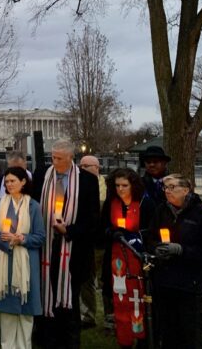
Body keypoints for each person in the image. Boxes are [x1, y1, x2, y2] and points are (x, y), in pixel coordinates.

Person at [34, 139, 100, 349]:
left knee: (68, 303)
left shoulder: (87, 181)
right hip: (45, 249)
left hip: (72, 253)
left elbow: (92, 221)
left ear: (72, 158)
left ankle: (69, 342)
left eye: (59, 158)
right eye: (52, 157)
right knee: (46, 298)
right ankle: (46, 340)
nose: (54, 161)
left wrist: (68, 230)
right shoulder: (42, 175)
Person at [147, 173, 202, 348]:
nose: (167, 191)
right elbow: (149, 238)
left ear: (186, 189)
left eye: (172, 187)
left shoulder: (201, 214)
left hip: (191, 285)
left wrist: (182, 250)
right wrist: (157, 249)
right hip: (165, 283)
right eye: (165, 187)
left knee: (191, 333)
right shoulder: (161, 211)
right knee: (169, 333)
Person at [0, 166, 45, 349]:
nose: (9, 184)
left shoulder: (33, 206)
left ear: (23, 182)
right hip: (5, 261)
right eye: (6, 181)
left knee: (25, 311)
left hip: (27, 263)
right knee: (7, 313)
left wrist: (21, 239)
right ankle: (7, 346)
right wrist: (6, 242)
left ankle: (24, 345)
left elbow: (40, 236)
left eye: (13, 180)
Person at [100, 168, 155, 349]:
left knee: (138, 299)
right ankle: (124, 339)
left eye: (125, 185)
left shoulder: (144, 203)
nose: (120, 189)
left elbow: (152, 230)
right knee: (121, 297)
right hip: (117, 260)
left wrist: (133, 235)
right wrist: (110, 231)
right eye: (117, 185)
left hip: (138, 258)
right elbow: (103, 227)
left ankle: (141, 337)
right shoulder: (111, 202)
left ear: (133, 185)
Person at [78, 155, 106, 329]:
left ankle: (110, 317)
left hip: (102, 241)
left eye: (85, 165)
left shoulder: (105, 187)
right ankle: (88, 314)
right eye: (80, 165)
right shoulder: (79, 185)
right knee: (86, 279)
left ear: (96, 167)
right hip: (85, 240)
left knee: (103, 280)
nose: (81, 168)